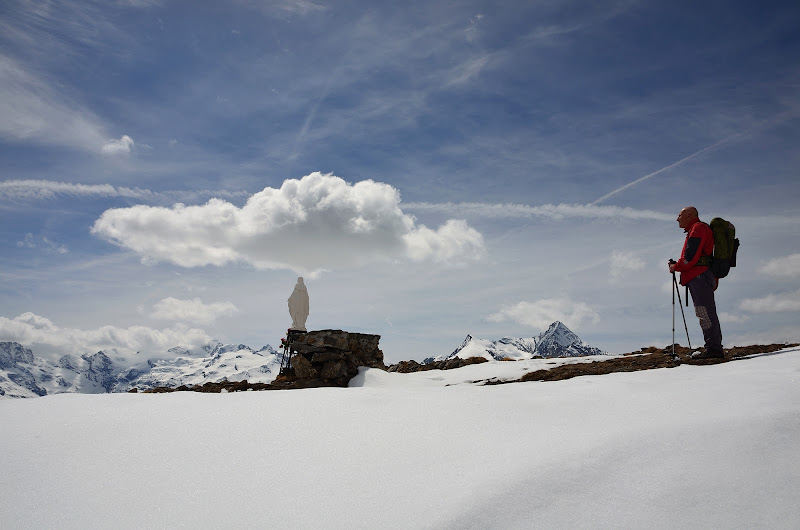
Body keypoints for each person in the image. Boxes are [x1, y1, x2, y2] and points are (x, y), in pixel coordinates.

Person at [669, 206, 724, 359]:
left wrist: (676, 267)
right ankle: (713, 347)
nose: (677, 218)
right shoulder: (697, 228)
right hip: (701, 276)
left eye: (680, 215)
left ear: (690, 215)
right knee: (705, 312)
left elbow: (690, 258)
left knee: (704, 313)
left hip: (699, 276)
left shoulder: (697, 229)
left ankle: (714, 349)